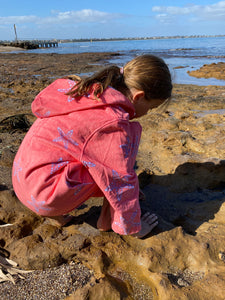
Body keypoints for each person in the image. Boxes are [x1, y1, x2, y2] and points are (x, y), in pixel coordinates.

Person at [12, 54, 172, 238]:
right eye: (150, 108)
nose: (147, 113)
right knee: (118, 168)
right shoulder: (113, 122)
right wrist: (133, 227)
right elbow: (119, 180)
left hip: (23, 181)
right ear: (139, 97)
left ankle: (56, 214)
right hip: (45, 197)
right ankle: (106, 222)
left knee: (83, 154)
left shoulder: (87, 94)